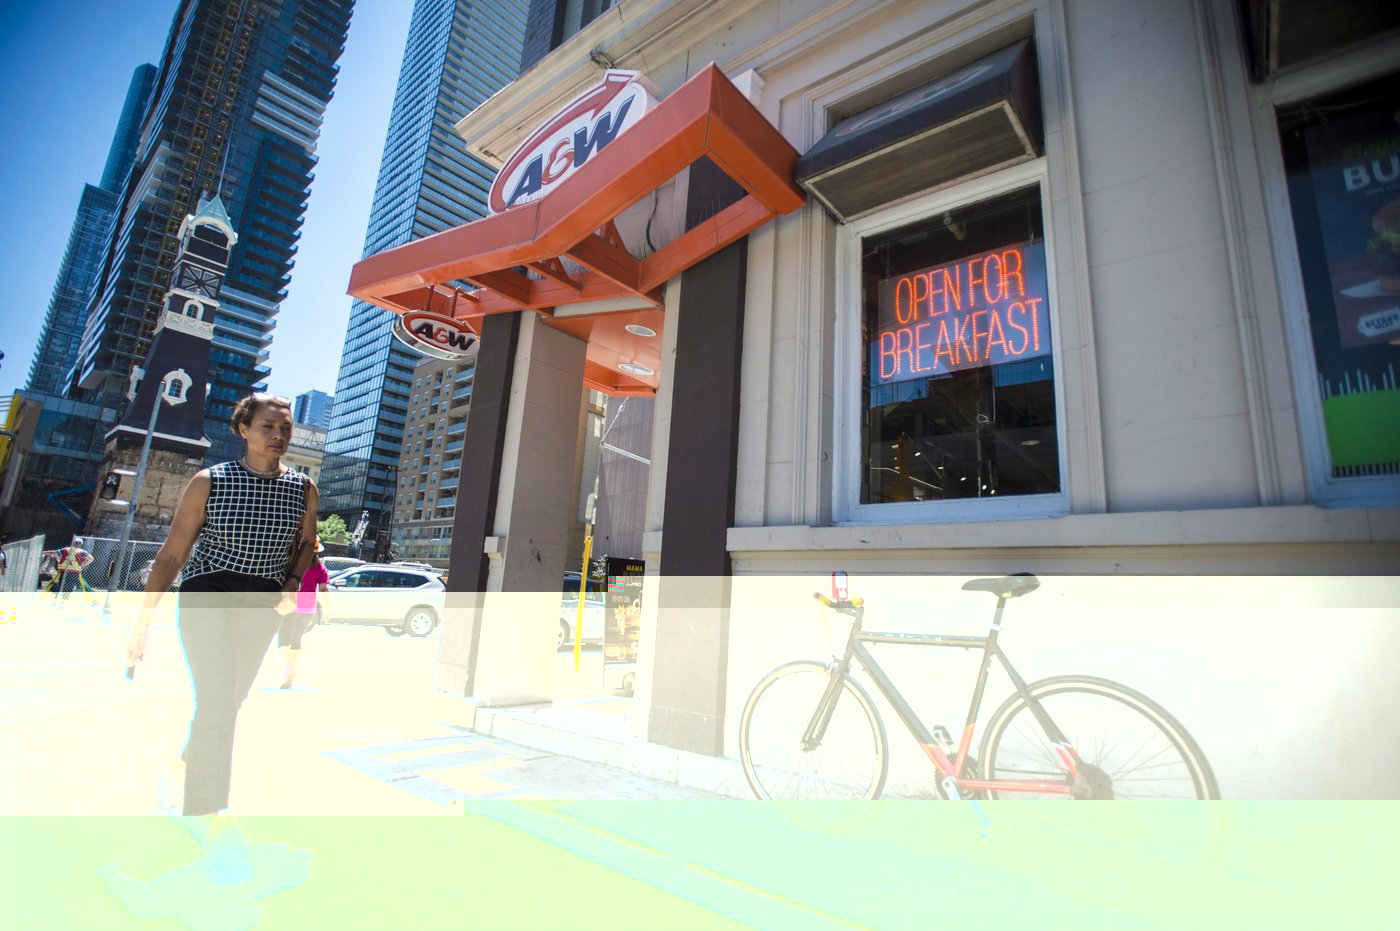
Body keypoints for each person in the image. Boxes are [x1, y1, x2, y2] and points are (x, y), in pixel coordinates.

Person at [124, 393, 317, 817]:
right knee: (215, 699)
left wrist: (291, 583)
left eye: (285, 428)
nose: (278, 435)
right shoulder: (209, 481)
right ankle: (203, 810)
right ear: (243, 429)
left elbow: (307, 543)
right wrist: (143, 620)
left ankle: (184, 763)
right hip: (208, 592)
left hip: (263, 600)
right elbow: (173, 554)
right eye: (268, 426)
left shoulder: (304, 488)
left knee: (231, 700)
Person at [278, 537, 330, 689]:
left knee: (283, 642)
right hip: (308, 610)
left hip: (291, 608)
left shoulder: (294, 565)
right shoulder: (320, 568)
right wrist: (328, 609)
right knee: (296, 640)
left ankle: (290, 667)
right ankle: (292, 668)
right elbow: (323, 590)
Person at [54, 535, 94, 601]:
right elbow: (91, 558)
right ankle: (65, 598)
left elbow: (56, 554)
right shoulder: (82, 552)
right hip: (75, 571)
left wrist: (58, 561)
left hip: (65, 570)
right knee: (70, 584)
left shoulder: (66, 549)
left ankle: (59, 597)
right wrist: (82, 564)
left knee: (62, 583)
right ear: (80, 544)